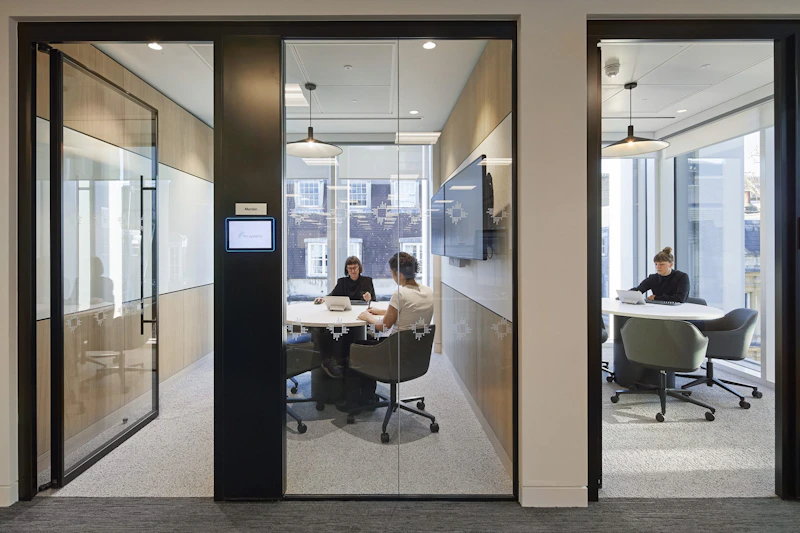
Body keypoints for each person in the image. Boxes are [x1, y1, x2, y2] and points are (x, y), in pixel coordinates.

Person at [339, 251, 433, 410]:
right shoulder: (427, 291)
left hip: (394, 353)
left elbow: (383, 326)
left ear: (399, 273)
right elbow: (407, 311)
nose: (392, 277)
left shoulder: (400, 294)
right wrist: (382, 311)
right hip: (416, 353)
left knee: (356, 348)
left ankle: (356, 402)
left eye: (392, 273)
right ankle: (369, 397)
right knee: (371, 343)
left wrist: (367, 317)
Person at [318, 256, 375, 379]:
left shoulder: (367, 281)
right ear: (346, 270)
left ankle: (346, 360)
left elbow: (373, 300)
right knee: (332, 330)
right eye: (350, 268)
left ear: (359, 268)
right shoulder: (342, 282)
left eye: (355, 268)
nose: (353, 271)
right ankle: (338, 360)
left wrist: (368, 298)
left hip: (360, 315)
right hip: (343, 314)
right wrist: (323, 298)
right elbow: (332, 295)